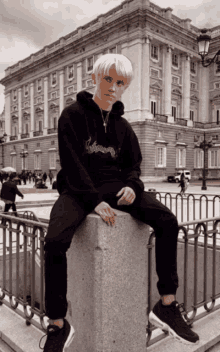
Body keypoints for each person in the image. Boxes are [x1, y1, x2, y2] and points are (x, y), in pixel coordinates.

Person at [39, 53, 199, 352]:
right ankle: (58, 324)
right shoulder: (71, 115)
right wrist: (94, 201)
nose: (113, 86)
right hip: (76, 189)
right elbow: (71, 163)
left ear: (126, 87)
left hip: (116, 188)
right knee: (55, 241)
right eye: (108, 79)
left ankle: (166, 303)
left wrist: (132, 186)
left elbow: (133, 166)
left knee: (168, 221)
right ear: (95, 79)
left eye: (121, 82)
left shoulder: (123, 126)